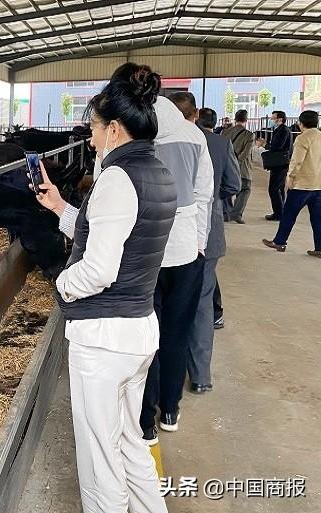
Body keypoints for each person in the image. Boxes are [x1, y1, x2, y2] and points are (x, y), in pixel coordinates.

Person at [34, 62, 176, 513]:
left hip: (104, 341)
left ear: (114, 129)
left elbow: (98, 269)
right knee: (130, 442)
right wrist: (60, 206)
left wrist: (61, 282)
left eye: (94, 128)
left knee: (100, 459)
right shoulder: (156, 171)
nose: (90, 137)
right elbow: (112, 234)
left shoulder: (116, 178)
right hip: (136, 331)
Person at [140, 94, 214, 440]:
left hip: (144, 252)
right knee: (176, 332)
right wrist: (199, 242)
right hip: (185, 251)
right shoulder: (194, 135)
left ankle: (144, 418)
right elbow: (204, 195)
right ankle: (170, 408)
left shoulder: (133, 133)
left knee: (144, 335)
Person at [189, 107, 241, 393]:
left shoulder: (166, 140)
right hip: (210, 235)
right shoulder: (221, 143)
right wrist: (211, 202)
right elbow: (233, 183)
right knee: (202, 303)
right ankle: (200, 376)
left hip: (173, 237)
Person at [262, 110, 321, 258]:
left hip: (302, 184)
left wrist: (290, 177)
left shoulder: (302, 138)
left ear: (301, 123)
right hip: (318, 185)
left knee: (289, 214)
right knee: (317, 218)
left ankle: (280, 241)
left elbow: (297, 161)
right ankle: (319, 248)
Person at [222, 110, 255, 224]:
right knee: (245, 190)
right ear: (246, 120)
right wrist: (236, 162)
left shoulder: (225, 132)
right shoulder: (249, 135)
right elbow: (245, 154)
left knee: (226, 189)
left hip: (226, 166)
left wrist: (229, 164)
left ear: (235, 119)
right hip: (243, 169)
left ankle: (226, 213)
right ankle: (236, 214)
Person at [265, 110, 293, 220]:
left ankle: (278, 213)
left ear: (279, 119)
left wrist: (266, 145)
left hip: (280, 164)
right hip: (280, 163)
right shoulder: (281, 130)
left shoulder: (283, 131)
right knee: (279, 188)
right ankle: (281, 211)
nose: (271, 120)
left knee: (273, 189)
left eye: (273, 118)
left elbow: (277, 146)